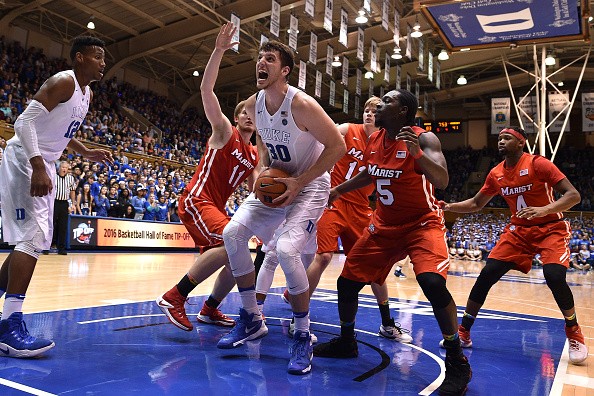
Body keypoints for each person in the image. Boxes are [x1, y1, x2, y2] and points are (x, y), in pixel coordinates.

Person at [312, 89, 471, 395]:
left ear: (403, 112)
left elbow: (442, 181)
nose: (378, 106)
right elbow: (370, 174)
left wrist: (417, 156)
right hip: (384, 224)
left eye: (387, 103)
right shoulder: (374, 140)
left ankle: (456, 360)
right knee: (347, 283)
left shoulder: (424, 139)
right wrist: (339, 190)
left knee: (432, 283)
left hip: (421, 223)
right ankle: (347, 342)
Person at [219, 31, 346, 376]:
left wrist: (299, 182)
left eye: (270, 59)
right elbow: (262, 145)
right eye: (260, 58)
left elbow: (337, 147)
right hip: (277, 183)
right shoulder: (253, 104)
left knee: (288, 251)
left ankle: (302, 335)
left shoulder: (301, 104)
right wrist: (261, 171)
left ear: (286, 70)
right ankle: (251, 318)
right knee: (232, 234)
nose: (261, 62)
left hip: (310, 185)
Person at [257, 97, 412, 343]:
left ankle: (387, 323)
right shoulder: (346, 130)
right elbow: (315, 142)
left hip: (361, 208)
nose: (369, 114)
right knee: (324, 256)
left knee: (375, 271)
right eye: (366, 109)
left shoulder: (385, 143)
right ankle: (299, 320)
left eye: (374, 110)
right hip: (333, 200)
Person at [0, 35, 112, 358]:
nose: (103, 63)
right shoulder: (64, 81)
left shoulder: (86, 94)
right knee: (33, 237)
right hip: (25, 157)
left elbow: (60, 131)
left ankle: (6, 317)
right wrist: (37, 164)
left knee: (36, 238)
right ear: (79, 58)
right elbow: (25, 123)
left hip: (42, 161)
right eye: (98, 56)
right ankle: (9, 326)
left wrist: (86, 151)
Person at [440, 126, 588, 365]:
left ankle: (573, 330)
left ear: (521, 143)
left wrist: (544, 209)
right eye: (499, 138)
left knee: (554, 275)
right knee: (487, 274)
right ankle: (464, 331)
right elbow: (477, 203)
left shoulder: (539, 164)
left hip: (550, 227)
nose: (501, 141)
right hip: (519, 231)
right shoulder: (496, 173)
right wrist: (449, 206)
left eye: (507, 138)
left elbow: (573, 195)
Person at [156, 23, 259, 332]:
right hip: (196, 200)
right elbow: (205, 90)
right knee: (232, 244)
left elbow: (258, 192)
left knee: (241, 256)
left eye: (257, 111)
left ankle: (209, 309)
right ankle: (175, 296)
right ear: (238, 116)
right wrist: (219, 51)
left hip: (214, 206)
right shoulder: (225, 130)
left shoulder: (255, 155)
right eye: (246, 111)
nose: (251, 115)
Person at [53, 161, 77, 255]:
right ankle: (47, 246)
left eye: (66, 168)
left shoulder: (70, 178)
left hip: (64, 203)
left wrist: (73, 204)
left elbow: (72, 191)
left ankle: (61, 248)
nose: (64, 169)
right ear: (59, 168)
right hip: (54, 202)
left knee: (63, 226)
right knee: (51, 224)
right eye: (62, 167)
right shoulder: (53, 177)